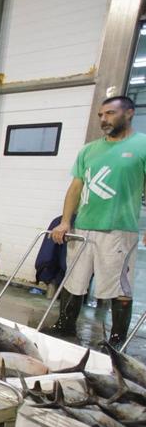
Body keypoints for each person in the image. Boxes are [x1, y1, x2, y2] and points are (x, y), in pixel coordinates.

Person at [47, 96, 146, 346]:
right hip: (84, 227)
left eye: (110, 113)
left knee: (118, 286)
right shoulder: (89, 150)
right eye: (101, 115)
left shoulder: (142, 146)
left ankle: (116, 340)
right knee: (74, 279)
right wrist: (66, 221)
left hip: (118, 231)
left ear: (129, 113)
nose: (103, 119)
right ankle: (65, 325)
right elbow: (75, 188)